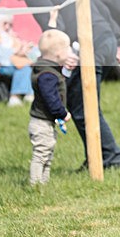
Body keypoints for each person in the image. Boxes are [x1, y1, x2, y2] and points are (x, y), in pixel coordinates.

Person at [0, 0, 120, 172]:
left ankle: (113, 159)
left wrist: (62, 53)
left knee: (81, 106)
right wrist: (115, 39)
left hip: (87, 44)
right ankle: (99, 157)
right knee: (85, 104)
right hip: (104, 40)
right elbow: (98, 5)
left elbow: (50, 30)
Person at [29, 29, 72, 186]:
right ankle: (35, 185)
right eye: (68, 48)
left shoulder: (46, 68)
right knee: (41, 154)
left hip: (45, 122)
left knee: (48, 153)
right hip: (42, 123)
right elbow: (51, 98)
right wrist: (62, 113)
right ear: (59, 53)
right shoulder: (47, 74)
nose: (70, 52)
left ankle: (43, 184)